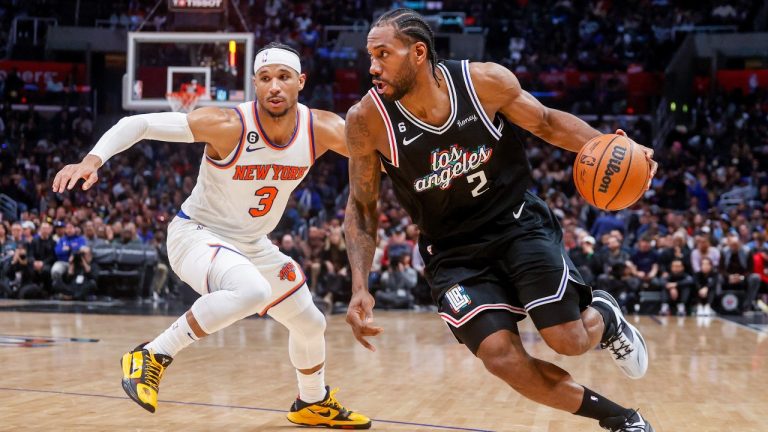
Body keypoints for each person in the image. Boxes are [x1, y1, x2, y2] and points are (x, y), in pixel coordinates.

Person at [342, 9, 658, 432]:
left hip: (516, 224)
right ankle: (619, 419)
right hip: (451, 252)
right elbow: (363, 207)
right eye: (370, 55)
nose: (373, 67)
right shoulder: (366, 121)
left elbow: (546, 123)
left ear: (418, 53)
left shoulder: (483, 82)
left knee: (569, 341)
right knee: (500, 357)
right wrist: (359, 285)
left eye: (383, 53)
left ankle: (604, 312)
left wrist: (623, 149)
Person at [52, 42, 370, 429]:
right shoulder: (227, 124)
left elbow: (378, 153)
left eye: (283, 77)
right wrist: (92, 159)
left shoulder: (320, 128)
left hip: (253, 245)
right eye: (265, 78)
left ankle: (312, 401)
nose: (274, 86)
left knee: (310, 323)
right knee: (251, 291)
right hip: (196, 235)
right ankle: (152, 355)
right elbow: (140, 124)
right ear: (254, 82)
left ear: (300, 81)